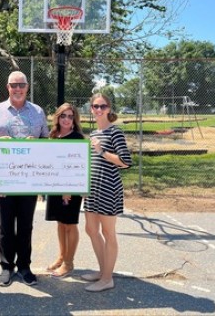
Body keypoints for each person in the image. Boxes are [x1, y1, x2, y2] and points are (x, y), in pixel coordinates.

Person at [0, 71, 49, 287]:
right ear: (8, 87)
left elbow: (47, 143)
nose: (18, 88)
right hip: (5, 179)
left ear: (27, 86)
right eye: (14, 84)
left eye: (21, 84)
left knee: (25, 225)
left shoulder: (38, 112)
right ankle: (6, 267)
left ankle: (24, 266)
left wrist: (37, 143)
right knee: (5, 225)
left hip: (29, 180)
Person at [82, 93, 132, 292]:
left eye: (103, 106)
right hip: (92, 189)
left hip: (108, 188)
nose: (99, 109)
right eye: (95, 106)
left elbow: (125, 162)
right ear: (91, 108)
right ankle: (102, 272)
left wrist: (103, 151)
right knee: (91, 230)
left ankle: (107, 278)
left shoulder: (115, 132)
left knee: (108, 233)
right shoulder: (94, 133)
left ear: (109, 108)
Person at [45, 103, 85, 278]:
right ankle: (61, 257)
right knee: (60, 223)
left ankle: (69, 263)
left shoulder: (77, 138)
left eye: (70, 116)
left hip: (71, 188)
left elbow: (78, 166)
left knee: (70, 224)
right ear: (58, 117)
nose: (67, 119)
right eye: (63, 116)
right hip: (55, 186)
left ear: (74, 119)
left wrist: (68, 189)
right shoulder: (53, 135)